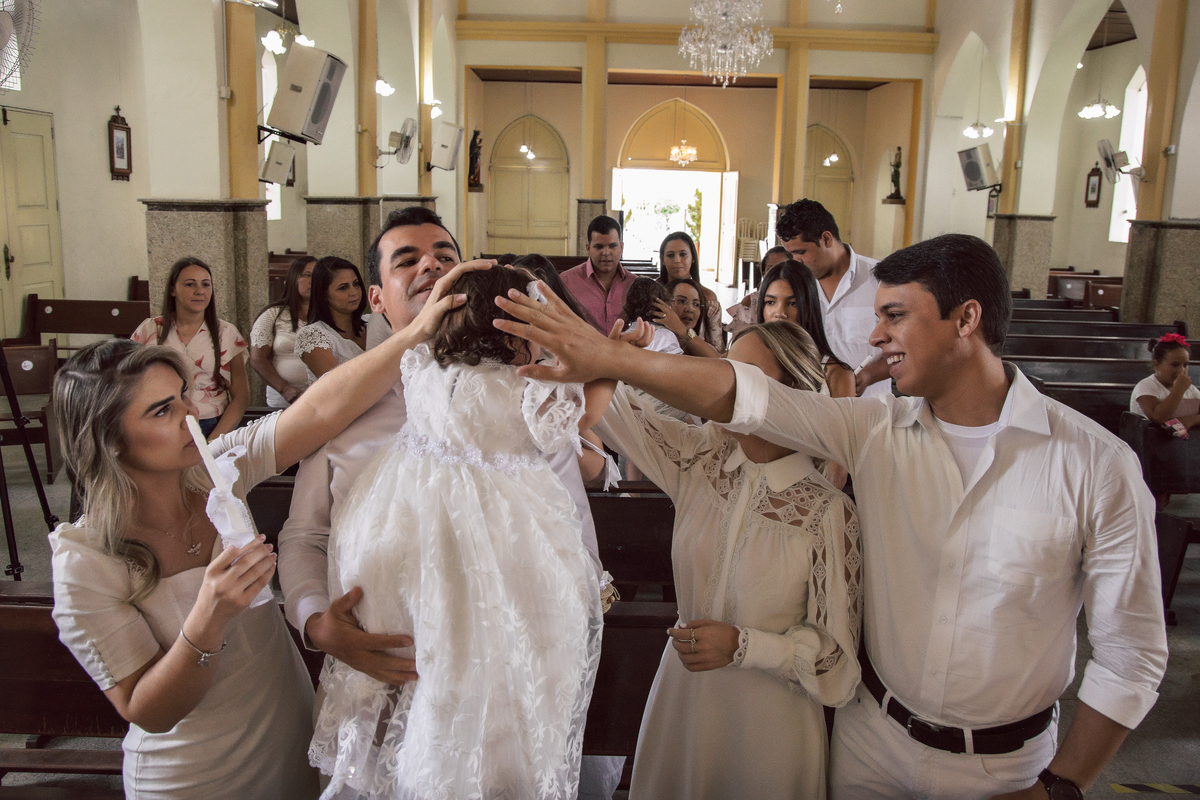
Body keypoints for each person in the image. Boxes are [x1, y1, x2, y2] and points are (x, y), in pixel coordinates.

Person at [494, 232, 1168, 800]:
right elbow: (748, 400)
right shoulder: (872, 429)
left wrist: (1064, 786)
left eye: (896, 315)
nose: (874, 336)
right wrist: (607, 354)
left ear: (965, 320)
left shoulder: (1096, 466)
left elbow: (1132, 653)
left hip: (1006, 763)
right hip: (870, 743)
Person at [48, 273, 470, 799]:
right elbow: (146, 709)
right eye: (162, 411)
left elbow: (318, 410)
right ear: (108, 442)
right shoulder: (84, 560)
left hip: (289, 737)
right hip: (194, 775)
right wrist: (209, 617)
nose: (190, 417)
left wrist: (411, 335)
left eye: (181, 397)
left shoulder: (215, 473)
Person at [276, 208, 625, 800]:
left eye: (443, 254)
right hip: (380, 674)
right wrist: (318, 625)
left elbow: (567, 529)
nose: (429, 265)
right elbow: (304, 536)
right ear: (378, 299)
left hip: (496, 690)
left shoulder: (520, 393)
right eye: (406, 260)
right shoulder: (340, 408)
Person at [581, 320, 861, 799]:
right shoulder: (700, 460)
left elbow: (836, 664)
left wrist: (745, 645)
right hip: (683, 697)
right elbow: (618, 414)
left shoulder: (825, 511)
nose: (724, 388)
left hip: (769, 722)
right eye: (724, 369)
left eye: (743, 378)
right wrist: (610, 355)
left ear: (790, 392)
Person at [777, 199, 889, 397]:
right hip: (811, 405)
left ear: (827, 239)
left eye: (801, 252)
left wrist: (869, 375)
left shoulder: (881, 280)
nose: (797, 261)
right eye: (791, 254)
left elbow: (907, 347)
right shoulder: (795, 284)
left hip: (869, 407)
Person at [758, 259, 854, 488]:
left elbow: (837, 468)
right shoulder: (749, 362)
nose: (779, 313)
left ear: (808, 306)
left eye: (792, 303)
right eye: (771, 302)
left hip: (809, 499)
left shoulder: (836, 373)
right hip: (752, 488)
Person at [132, 257, 248, 439]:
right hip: (162, 422)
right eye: (190, 285)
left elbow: (241, 397)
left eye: (206, 285)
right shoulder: (150, 329)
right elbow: (130, 383)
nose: (200, 291)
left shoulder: (226, 333)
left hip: (211, 423)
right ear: (172, 289)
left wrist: (214, 442)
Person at [249, 255, 316, 407]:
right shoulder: (273, 315)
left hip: (322, 397)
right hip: (285, 398)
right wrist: (285, 389)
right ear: (293, 278)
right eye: (307, 275)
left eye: (317, 276)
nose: (313, 281)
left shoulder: (329, 315)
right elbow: (257, 359)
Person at [560, 215, 636, 335]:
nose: (606, 252)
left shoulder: (635, 284)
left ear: (621, 247)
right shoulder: (566, 282)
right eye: (599, 246)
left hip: (624, 352)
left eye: (612, 246)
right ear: (588, 248)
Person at [296, 256, 368, 379]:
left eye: (356, 284)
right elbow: (338, 386)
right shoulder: (313, 335)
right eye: (343, 287)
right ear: (323, 294)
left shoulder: (371, 322)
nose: (354, 292)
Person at [657, 231, 723, 350]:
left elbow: (717, 348)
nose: (677, 260)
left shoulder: (708, 298)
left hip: (700, 363)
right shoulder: (653, 294)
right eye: (670, 255)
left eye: (683, 254)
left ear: (693, 258)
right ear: (662, 260)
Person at [1130, 333, 1200, 430]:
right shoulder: (1146, 386)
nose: (1181, 370)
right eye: (1175, 365)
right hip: (1149, 442)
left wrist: (1191, 420)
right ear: (1157, 364)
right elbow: (1158, 417)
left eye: (1185, 365)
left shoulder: (1190, 389)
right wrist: (1179, 389)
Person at [726, 245, 790, 336]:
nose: (777, 274)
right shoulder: (750, 303)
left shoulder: (802, 301)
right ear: (764, 273)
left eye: (783, 268)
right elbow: (738, 342)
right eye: (771, 269)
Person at [657, 277, 722, 358]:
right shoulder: (655, 339)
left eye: (696, 304)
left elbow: (718, 361)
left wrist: (683, 331)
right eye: (681, 301)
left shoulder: (701, 344)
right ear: (665, 304)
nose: (690, 309)